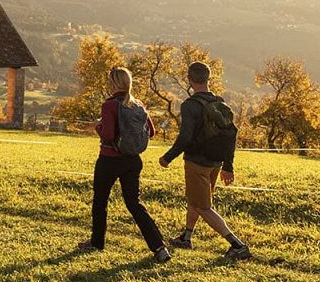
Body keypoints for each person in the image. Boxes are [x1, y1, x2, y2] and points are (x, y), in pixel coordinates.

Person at [75, 67, 171, 263]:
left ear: (112, 84)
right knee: (134, 204)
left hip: (109, 159)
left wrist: (97, 126)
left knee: (100, 201)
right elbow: (151, 132)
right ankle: (159, 247)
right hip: (133, 161)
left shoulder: (109, 105)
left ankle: (97, 242)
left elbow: (108, 135)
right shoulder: (138, 105)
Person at [159, 61, 252, 261]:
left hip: (196, 163)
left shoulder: (190, 105)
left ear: (190, 80)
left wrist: (168, 157)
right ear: (208, 78)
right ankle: (186, 237)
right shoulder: (220, 102)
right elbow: (230, 136)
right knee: (196, 200)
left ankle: (237, 245)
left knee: (203, 206)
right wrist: (228, 166)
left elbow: (185, 137)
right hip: (215, 163)